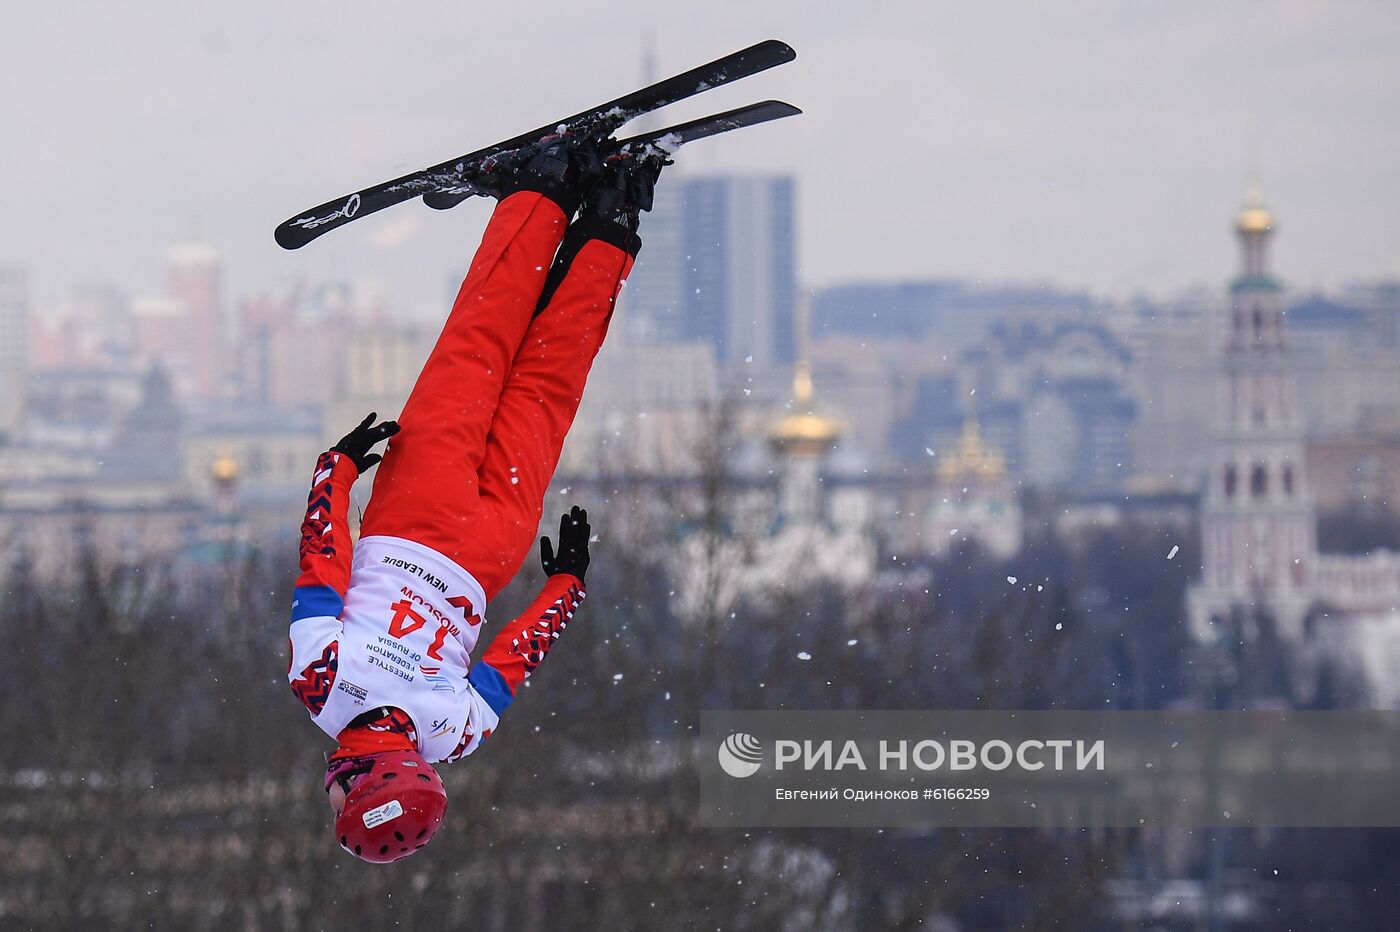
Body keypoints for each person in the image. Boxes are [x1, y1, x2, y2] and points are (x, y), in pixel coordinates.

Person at [286, 137, 665, 863]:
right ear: (366, 780)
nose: (327, 794)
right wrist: (334, 473)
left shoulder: (458, 734)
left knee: (548, 385)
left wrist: (565, 587)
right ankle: (542, 191)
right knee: (477, 348)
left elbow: (517, 654)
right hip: (415, 514)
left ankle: (614, 215)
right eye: (341, 801)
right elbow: (322, 565)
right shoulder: (320, 687)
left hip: (493, 545)